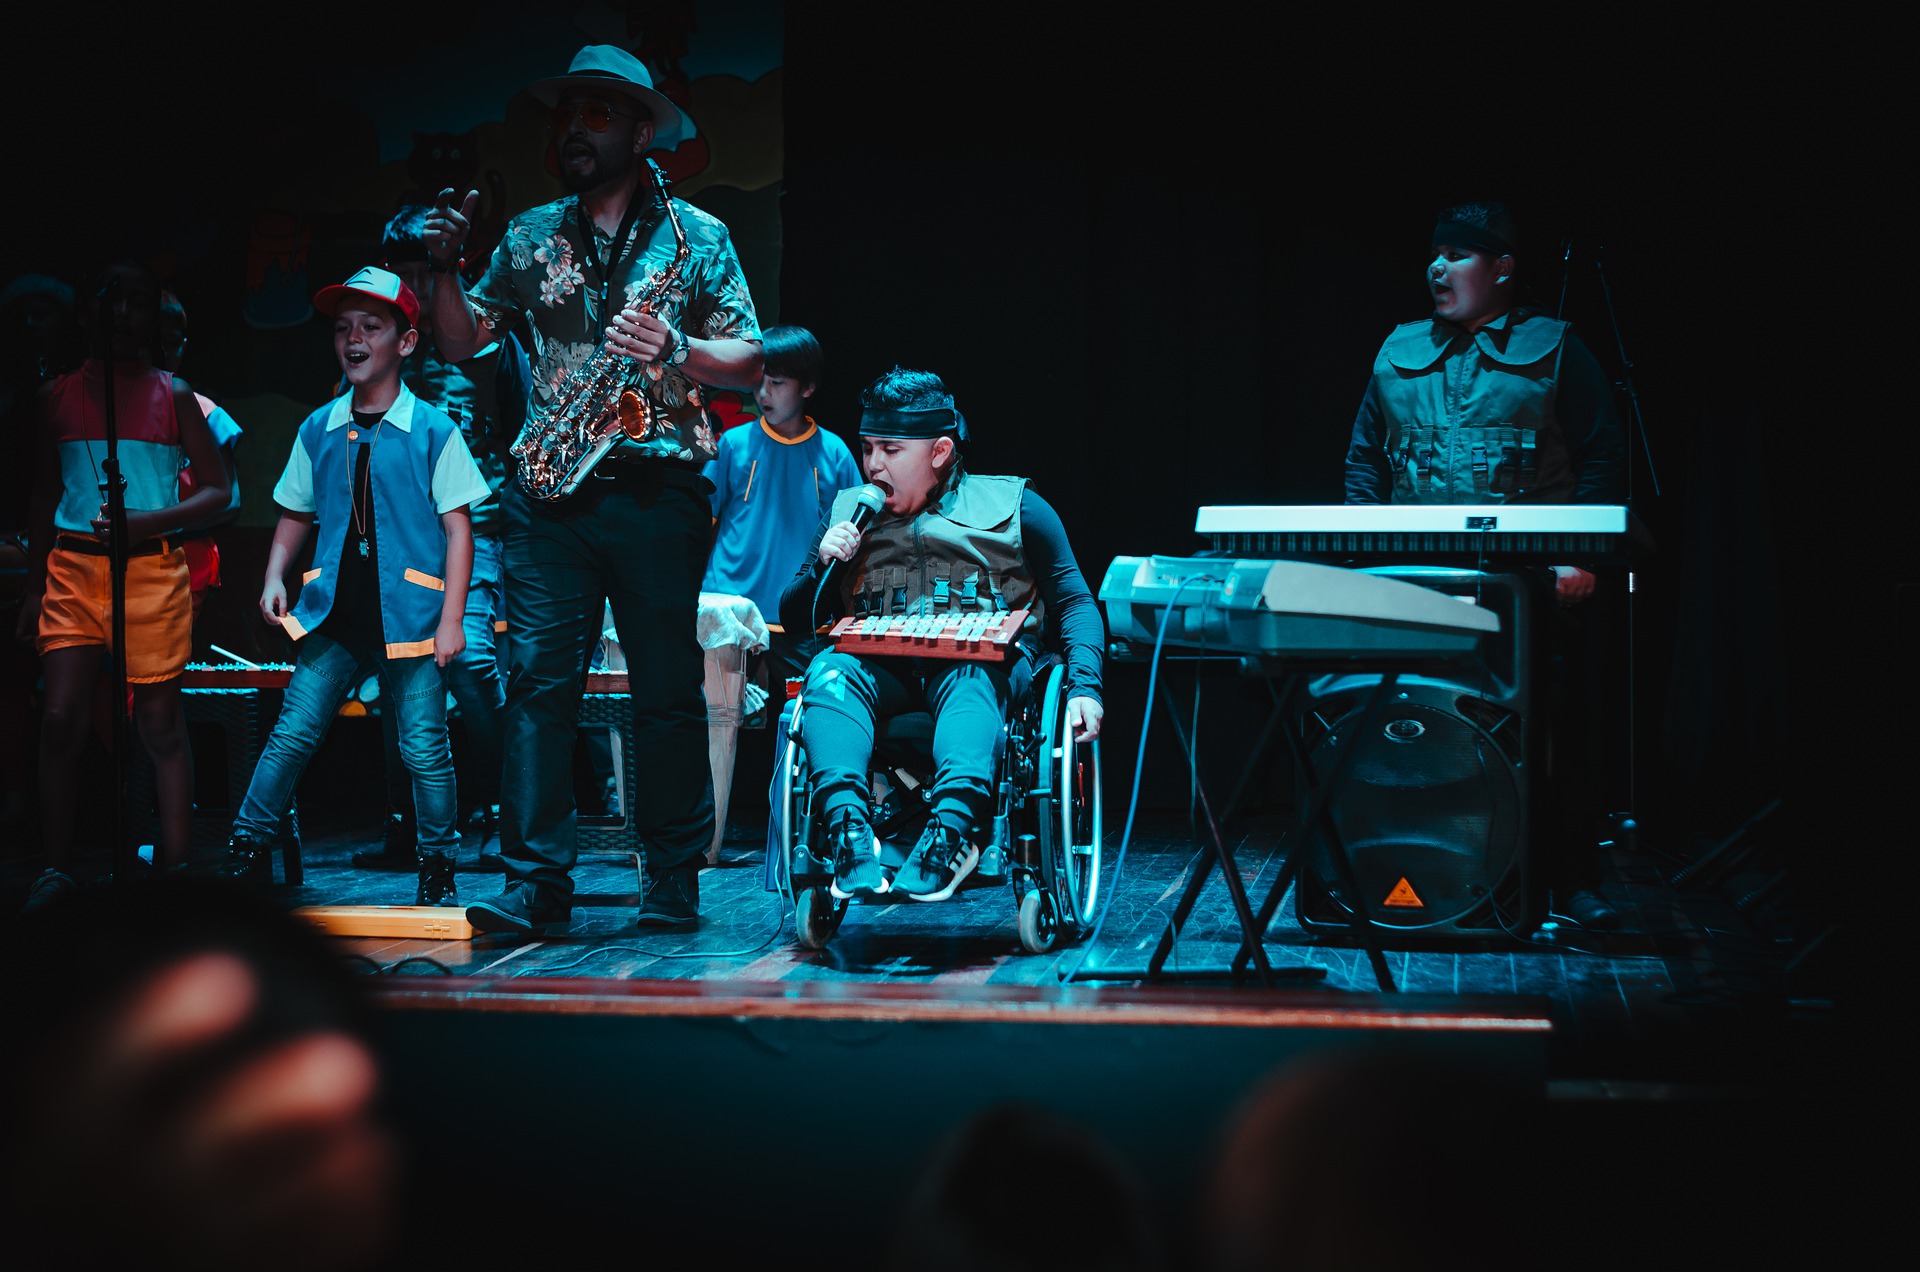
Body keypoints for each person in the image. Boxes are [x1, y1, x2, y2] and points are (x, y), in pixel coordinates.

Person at [423, 44, 763, 936]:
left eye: (598, 114)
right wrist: (442, 274)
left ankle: (672, 879)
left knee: (663, 690)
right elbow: (463, 345)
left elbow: (752, 362)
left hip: (657, 493)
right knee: (539, 687)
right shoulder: (532, 234)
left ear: (643, 132)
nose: (575, 128)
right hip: (550, 499)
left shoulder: (699, 237)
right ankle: (537, 883)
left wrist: (676, 349)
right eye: (567, 114)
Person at [1342, 200, 1629, 930]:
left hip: (1528, 585)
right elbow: (1364, 466)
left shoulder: (1558, 348)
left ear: (1503, 268)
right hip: (1420, 582)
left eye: (1460, 255)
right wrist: (1361, 565)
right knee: (1422, 725)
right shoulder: (1397, 351)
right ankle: (1439, 870)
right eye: (1434, 254)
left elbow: (1601, 457)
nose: (1438, 268)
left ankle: (1571, 880)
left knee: (1545, 734)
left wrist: (1576, 553)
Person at [779, 367, 1105, 902]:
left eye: (890, 449)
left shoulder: (1016, 506)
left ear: (939, 452)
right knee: (829, 671)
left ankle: (954, 832)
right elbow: (795, 617)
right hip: (880, 670)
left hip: (981, 666)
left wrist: (1086, 688)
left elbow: (1074, 602)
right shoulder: (849, 514)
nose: (872, 464)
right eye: (867, 448)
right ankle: (847, 833)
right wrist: (824, 566)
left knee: (971, 669)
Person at [225, 267, 490, 906]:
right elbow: (295, 510)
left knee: (424, 745)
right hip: (336, 615)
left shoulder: (433, 430)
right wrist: (272, 577)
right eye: (343, 328)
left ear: (404, 343)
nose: (354, 338)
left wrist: (452, 618)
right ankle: (247, 845)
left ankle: (437, 863)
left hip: (413, 618)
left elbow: (460, 530)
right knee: (294, 731)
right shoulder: (319, 427)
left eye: (371, 327)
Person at [13, 262, 231, 911]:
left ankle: (175, 872)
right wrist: (32, 589)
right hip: (75, 568)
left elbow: (221, 491)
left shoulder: (175, 393)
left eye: (139, 305)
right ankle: (54, 871)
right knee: (60, 717)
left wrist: (147, 523)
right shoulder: (57, 395)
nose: (125, 317)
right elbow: (43, 492)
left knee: (160, 723)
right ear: (90, 315)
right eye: (114, 304)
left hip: (151, 570)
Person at [349, 205, 531, 874]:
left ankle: (505, 808)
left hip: (475, 531)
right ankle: (411, 824)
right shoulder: (372, 343)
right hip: (390, 541)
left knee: (473, 663)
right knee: (397, 676)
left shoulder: (479, 336)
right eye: (402, 269)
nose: (411, 284)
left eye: (424, 270)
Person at [702, 324, 860, 686]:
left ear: (807, 387)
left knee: (798, 724)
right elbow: (702, 522)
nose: (763, 393)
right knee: (725, 726)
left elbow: (853, 544)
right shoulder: (732, 443)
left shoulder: (835, 454)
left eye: (776, 383)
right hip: (730, 613)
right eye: (759, 382)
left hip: (803, 621)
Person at [157, 290, 243, 623]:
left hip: (188, 559)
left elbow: (231, 500)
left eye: (172, 341)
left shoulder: (206, 413)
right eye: (155, 340)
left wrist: (159, 525)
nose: (163, 352)